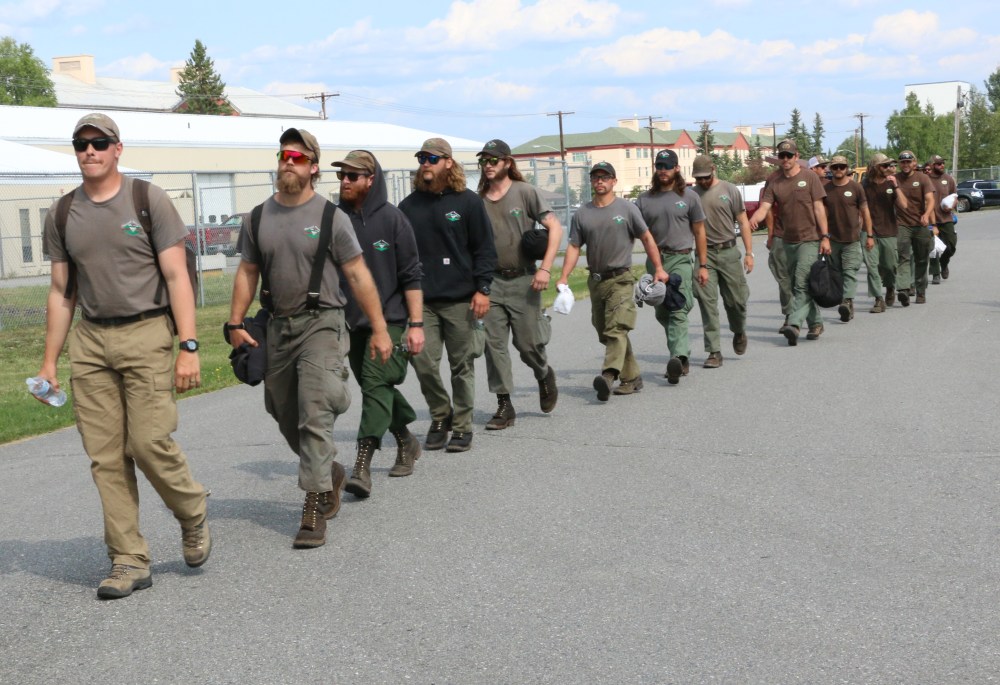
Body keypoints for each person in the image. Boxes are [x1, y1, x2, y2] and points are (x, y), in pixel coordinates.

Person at [37, 113, 210, 599]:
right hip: (90, 341)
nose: (89, 151)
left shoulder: (146, 199)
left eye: (99, 143)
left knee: (150, 442)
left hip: (147, 332)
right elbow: (60, 292)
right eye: (81, 144)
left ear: (118, 149)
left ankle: (192, 511)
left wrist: (188, 346)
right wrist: (49, 362)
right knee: (106, 457)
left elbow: (177, 277)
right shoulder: (62, 212)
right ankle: (128, 558)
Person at [228, 129, 392, 548]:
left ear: (313, 167)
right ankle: (330, 473)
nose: (288, 161)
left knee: (314, 410)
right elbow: (247, 271)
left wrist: (379, 328)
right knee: (284, 415)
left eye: (298, 156)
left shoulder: (330, 218)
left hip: (323, 323)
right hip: (278, 326)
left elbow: (357, 273)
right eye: (284, 154)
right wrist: (234, 323)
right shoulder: (258, 217)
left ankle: (314, 505)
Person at [333, 150, 425, 498]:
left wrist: (416, 324)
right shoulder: (335, 219)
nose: (344, 181)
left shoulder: (393, 219)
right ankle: (405, 439)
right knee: (377, 389)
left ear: (370, 180)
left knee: (374, 384)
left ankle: (362, 464)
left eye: (352, 176)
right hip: (351, 324)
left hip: (392, 321)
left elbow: (412, 274)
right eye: (342, 174)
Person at [398, 138, 497, 453]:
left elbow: (484, 249)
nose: (425, 163)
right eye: (421, 158)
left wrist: (483, 289)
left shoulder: (468, 202)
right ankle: (441, 415)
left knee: (462, 365)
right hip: (422, 302)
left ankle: (462, 426)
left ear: (448, 163)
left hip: (460, 300)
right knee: (423, 362)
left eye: (432, 158)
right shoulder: (409, 206)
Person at [556, 162, 668, 400]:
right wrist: (564, 276)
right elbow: (575, 246)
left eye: (605, 177)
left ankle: (608, 375)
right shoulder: (582, 214)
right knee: (604, 331)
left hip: (621, 279)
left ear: (614, 181)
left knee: (617, 328)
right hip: (596, 281)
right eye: (595, 177)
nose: (600, 181)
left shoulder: (627, 209)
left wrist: (658, 268)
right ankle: (632, 377)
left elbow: (646, 238)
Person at [476, 138, 562, 430]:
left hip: (525, 279)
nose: (488, 166)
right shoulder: (478, 201)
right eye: (484, 161)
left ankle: (543, 373)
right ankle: (504, 405)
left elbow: (555, 227)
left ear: (507, 163)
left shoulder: (525, 193)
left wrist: (546, 269)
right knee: (493, 345)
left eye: (493, 160)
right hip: (492, 282)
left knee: (527, 344)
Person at [636, 149, 707, 382]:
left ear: (677, 168)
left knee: (677, 306)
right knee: (662, 310)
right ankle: (679, 355)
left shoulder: (689, 197)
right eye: (659, 166)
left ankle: (678, 358)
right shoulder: (644, 200)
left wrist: (702, 265)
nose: (663, 170)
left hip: (681, 258)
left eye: (667, 166)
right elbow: (634, 231)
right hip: (656, 260)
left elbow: (699, 231)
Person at [749, 140, 830, 346]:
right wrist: (754, 219)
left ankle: (793, 324)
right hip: (788, 241)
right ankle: (816, 323)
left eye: (789, 155)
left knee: (802, 283)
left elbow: (819, 208)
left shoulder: (810, 177)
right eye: (782, 156)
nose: (785, 159)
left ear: (796, 156)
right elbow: (765, 206)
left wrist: (825, 236)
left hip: (810, 239)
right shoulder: (775, 181)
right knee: (796, 286)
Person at [690, 154, 754, 367]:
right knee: (707, 304)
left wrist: (748, 253)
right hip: (704, 255)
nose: (702, 182)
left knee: (736, 301)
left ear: (714, 170)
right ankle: (714, 351)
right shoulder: (691, 195)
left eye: (706, 177)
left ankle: (739, 330)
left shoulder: (729, 190)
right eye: (698, 179)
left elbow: (743, 222)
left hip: (728, 252)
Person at [823, 155, 874, 323]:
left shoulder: (856, 187)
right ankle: (847, 303)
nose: (838, 170)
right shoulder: (825, 189)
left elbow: (865, 211)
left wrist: (869, 235)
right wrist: (823, 237)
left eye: (842, 167)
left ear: (847, 169)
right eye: (835, 167)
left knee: (850, 271)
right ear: (831, 169)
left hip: (852, 239)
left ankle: (847, 300)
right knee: (836, 274)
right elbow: (821, 213)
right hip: (832, 239)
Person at [861, 153, 907, 312]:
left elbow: (904, 205)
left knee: (889, 266)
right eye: (885, 166)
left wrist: (896, 186)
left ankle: (890, 287)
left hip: (888, 230)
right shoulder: (864, 185)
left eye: (889, 165)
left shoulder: (892, 183)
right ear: (875, 167)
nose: (889, 168)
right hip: (868, 231)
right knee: (872, 266)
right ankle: (878, 299)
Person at [893, 150, 936, 305]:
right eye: (902, 162)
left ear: (914, 162)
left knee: (921, 259)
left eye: (908, 161)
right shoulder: (895, 179)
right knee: (903, 257)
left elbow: (930, 200)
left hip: (920, 225)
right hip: (901, 224)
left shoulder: (923, 178)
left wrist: (927, 214)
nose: (905, 165)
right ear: (899, 163)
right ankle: (904, 289)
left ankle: (921, 291)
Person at [925, 154, 957, 284]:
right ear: (932, 165)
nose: (942, 165)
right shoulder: (925, 179)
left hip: (946, 218)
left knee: (951, 246)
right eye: (938, 163)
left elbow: (954, 196)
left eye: (943, 163)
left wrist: (952, 205)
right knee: (933, 248)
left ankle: (944, 264)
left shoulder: (948, 179)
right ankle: (935, 273)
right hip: (930, 220)